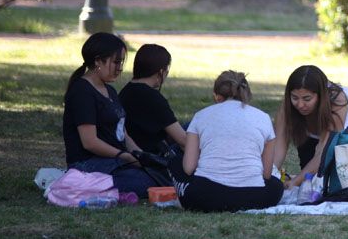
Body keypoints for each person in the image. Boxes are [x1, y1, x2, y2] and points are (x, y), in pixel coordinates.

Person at [62, 33, 159, 196]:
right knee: (147, 182)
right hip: (87, 165)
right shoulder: (82, 92)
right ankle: (84, 185)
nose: (120, 68)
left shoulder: (110, 90)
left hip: (114, 162)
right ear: (98, 61)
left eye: (121, 62)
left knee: (158, 174)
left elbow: (123, 133)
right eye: (116, 62)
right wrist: (124, 156)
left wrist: (141, 156)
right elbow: (89, 142)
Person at [180, 71, 283, 212]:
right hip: (255, 196)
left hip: (205, 197)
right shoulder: (263, 118)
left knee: (175, 162)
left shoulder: (200, 116)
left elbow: (189, 167)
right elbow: (266, 173)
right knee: (276, 185)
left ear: (217, 97)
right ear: (246, 95)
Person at [271, 65, 348, 187]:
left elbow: (324, 153)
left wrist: (294, 182)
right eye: (295, 98)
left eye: (307, 99)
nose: (300, 105)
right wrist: (269, 176)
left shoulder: (337, 104)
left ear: (320, 96)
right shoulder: (287, 108)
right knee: (309, 182)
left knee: (340, 181)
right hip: (317, 134)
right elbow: (277, 148)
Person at [119, 44, 187, 154]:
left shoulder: (127, 90)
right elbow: (184, 142)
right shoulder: (153, 98)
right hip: (152, 155)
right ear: (161, 72)